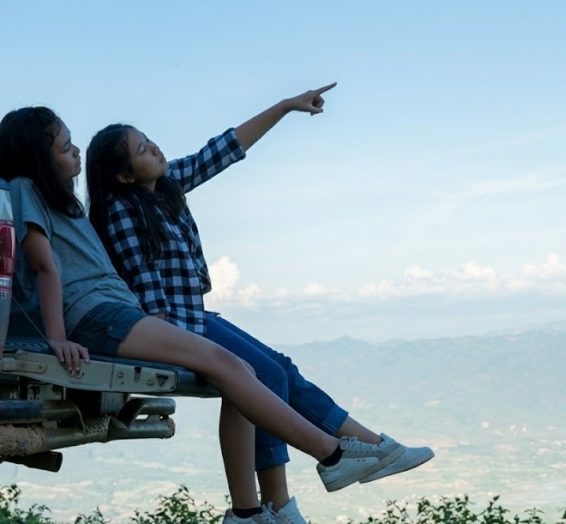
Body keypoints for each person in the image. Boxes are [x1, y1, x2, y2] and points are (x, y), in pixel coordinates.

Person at [0, 106, 424, 524]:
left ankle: (251, 512)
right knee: (232, 365)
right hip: (100, 316)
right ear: (38, 156)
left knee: (244, 373)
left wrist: (287, 106)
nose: (75, 152)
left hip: (116, 311)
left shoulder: (73, 199)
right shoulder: (27, 189)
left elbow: (216, 154)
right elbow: (43, 266)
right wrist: (55, 337)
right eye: (65, 146)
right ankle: (332, 455)